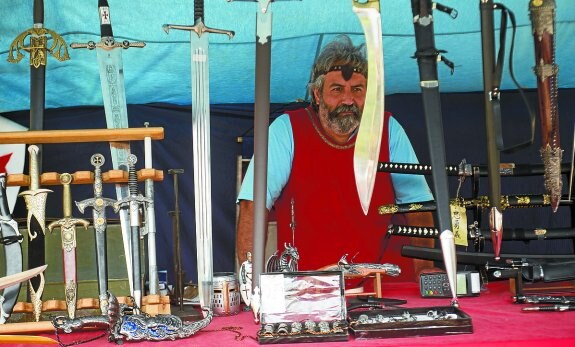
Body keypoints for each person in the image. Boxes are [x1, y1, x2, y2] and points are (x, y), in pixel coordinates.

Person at [236, 35, 435, 283]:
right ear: (317, 94)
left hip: (383, 285)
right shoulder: (286, 130)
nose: (348, 100)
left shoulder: (387, 129)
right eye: (337, 89)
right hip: (307, 289)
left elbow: (418, 206)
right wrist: (251, 284)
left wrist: (425, 270)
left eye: (357, 90)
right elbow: (252, 205)